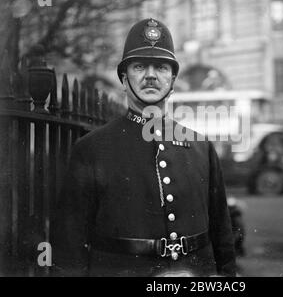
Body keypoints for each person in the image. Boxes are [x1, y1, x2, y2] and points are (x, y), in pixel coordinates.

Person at [52, 18, 236, 277]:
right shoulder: (91, 149)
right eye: (140, 66)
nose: (151, 75)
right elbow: (69, 245)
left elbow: (222, 233)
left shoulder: (201, 146)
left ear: (172, 79)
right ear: (125, 79)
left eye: (161, 67)